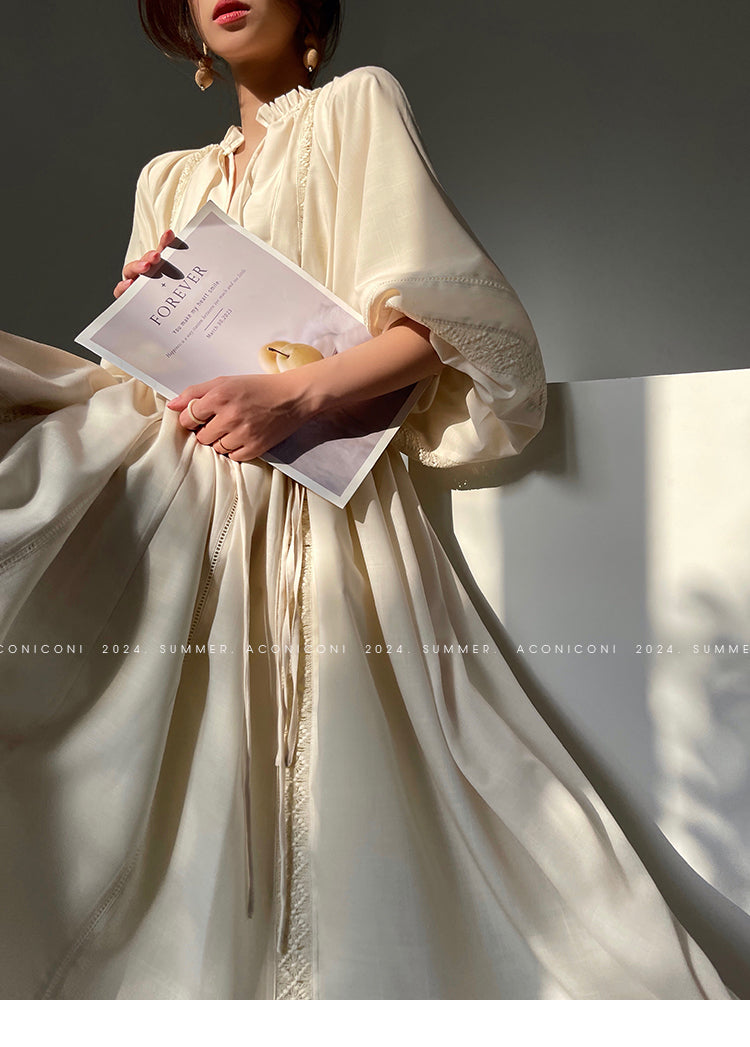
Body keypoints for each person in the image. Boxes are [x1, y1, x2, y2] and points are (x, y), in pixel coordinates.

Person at [0, 0, 739, 1001]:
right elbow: (151, 383)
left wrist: (293, 396)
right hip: (183, 491)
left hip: (317, 501)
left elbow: (452, 326)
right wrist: (145, 308)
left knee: (343, 802)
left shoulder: (357, 106)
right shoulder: (166, 179)